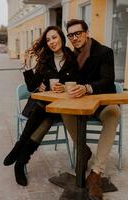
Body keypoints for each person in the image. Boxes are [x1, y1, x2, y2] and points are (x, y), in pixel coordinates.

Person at [3, 25, 80, 186]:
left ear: (61, 38)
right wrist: (28, 64)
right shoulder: (45, 60)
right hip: (43, 105)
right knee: (43, 116)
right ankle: (20, 161)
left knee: (44, 113)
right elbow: (32, 87)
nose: (52, 42)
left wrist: (65, 87)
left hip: (63, 107)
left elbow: (78, 83)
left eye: (54, 37)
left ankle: (19, 153)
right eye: (48, 39)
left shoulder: (73, 58)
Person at [61, 19, 121, 200]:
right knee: (64, 110)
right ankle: (83, 149)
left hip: (102, 103)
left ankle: (96, 173)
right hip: (81, 104)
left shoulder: (104, 52)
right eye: (70, 35)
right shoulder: (71, 56)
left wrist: (87, 88)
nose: (74, 38)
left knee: (114, 113)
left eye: (78, 33)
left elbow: (107, 80)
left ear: (87, 33)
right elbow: (65, 78)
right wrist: (62, 85)